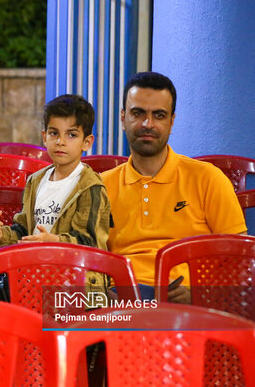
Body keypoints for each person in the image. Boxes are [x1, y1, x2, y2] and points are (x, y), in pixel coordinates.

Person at [102, 72, 246, 302]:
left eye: (159, 115)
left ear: (171, 122)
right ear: (122, 118)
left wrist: (201, 294)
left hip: (186, 306)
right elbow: (85, 259)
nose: (148, 124)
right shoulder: (100, 186)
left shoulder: (207, 178)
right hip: (119, 303)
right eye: (138, 113)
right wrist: (99, 295)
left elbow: (240, 259)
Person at [0, 94, 110, 290]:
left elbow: (91, 242)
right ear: (44, 137)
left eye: (71, 135)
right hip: (35, 274)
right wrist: (1, 233)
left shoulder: (90, 187)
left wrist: (53, 241)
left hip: (77, 282)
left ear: (87, 142)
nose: (60, 142)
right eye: (54, 133)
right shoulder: (35, 181)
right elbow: (24, 230)